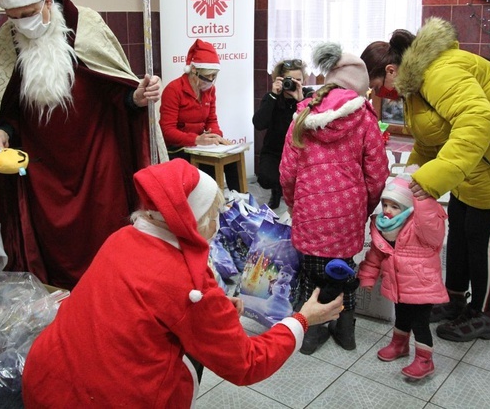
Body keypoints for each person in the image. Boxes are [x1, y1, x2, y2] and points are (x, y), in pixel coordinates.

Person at [21, 159, 344, 407]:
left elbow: (139, 309)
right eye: (216, 212)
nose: (220, 222)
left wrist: (214, 310)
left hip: (47, 376)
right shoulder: (189, 283)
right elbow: (246, 364)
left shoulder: (123, 237)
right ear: (195, 221)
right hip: (108, 399)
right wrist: (302, 320)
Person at [360, 17, 490, 342]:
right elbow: (430, 139)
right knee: (459, 227)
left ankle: (483, 315)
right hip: (479, 162)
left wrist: (434, 177)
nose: (382, 95)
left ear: (391, 70)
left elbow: (477, 120)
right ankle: (454, 300)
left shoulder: (440, 73)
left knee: (482, 237)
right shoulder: (416, 85)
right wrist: (409, 178)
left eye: (377, 87)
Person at [0, 0, 166, 290]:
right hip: (41, 167)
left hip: (96, 159)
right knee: (50, 245)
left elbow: (113, 87)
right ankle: (59, 299)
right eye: (13, 17)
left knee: (103, 236)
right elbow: (9, 104)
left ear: (46, 1)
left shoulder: (86, 24)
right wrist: (3, 132)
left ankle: (109, 294)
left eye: (28, 13)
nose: (22, 24)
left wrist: (136, 97)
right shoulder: (7, 37)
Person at [279, 43, 389, 355]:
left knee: (312, 271)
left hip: (310, 208)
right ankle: (346, 330)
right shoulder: (365, 119)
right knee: (342, 269)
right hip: (348, 212)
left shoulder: (302, 115)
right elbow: (378, 172)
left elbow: (287, 171)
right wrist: (363, 206)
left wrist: (292, 202)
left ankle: (311, 333)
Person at [357, 174, 448, 380]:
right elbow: (375, 256)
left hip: (421, 286)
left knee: (420, 323)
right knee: (402, 317)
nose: (388, 211)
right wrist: (368, 277)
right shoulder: (384, 230)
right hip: (398, 286)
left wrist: (422, 198)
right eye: (386, 205)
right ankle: (399, 345)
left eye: (395, 206)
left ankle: (425, 360)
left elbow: (432, 225)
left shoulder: (421, 228)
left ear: (410, 208)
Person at [159, 39, 241, 191]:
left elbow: (212, 120)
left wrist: (216, 136)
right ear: (194, 71)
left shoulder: (210, 90)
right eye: (206, 76)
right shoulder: (173, 90)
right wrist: (196, 139)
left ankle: (240, 202)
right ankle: (207, 203)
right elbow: (167, 131)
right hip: (177, 148)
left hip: (198, 145)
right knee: (206, 174)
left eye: (214, 76)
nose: (210, 81)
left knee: (230, 159)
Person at [252, 59, 314, 209]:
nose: (293, 84)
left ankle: (295, 193)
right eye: (289, 80)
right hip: (275, 151)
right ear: (279, 80)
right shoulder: (272, 97)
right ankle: (277, 189)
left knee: (304, 179)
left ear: (304, 80)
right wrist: (273, 95)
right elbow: (259, 124)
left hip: (300, 151)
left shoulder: (308, 95)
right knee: (265, 179)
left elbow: (313, 126)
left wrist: (301, 101)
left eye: (297, 80)